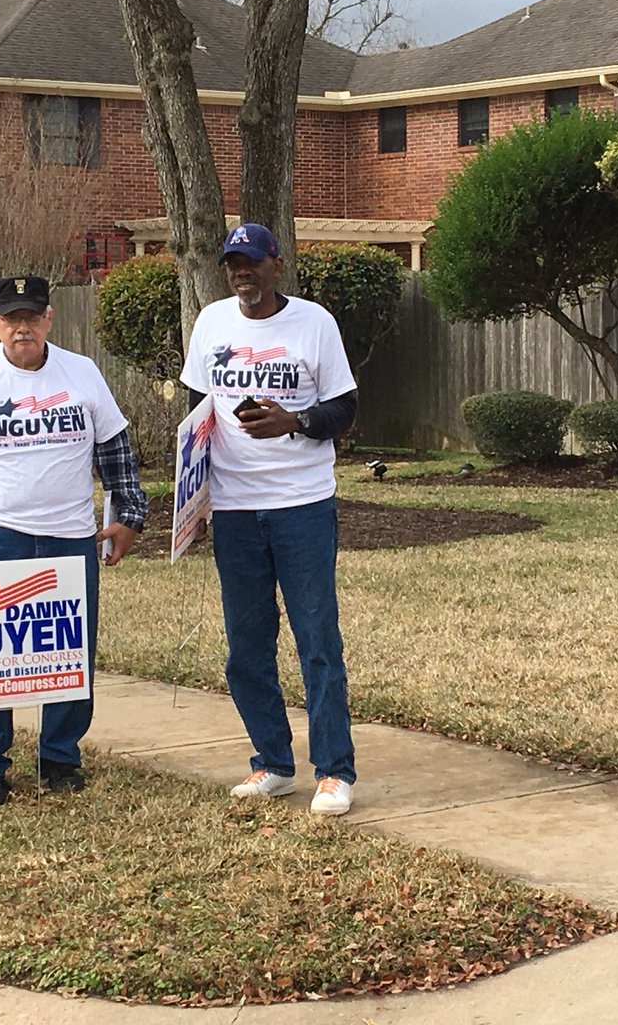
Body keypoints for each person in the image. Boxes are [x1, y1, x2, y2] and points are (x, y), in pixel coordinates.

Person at [0, 275, 147, 805]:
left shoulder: (82, 373)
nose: (22, 326)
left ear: (48, 319)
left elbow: (114, 448)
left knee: (68, 654)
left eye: (32, 316)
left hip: (70, 536)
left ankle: (60, 758)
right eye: (10, 317)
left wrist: (130, 514)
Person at [181, 223, 359, 816]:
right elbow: (196, 414)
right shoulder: (210, 323)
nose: (242, 274)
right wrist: (194, 501)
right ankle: (273, 765)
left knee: (317, 639)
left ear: (276, 265)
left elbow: (345, 407)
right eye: (233, 265)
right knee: (246, 646)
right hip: (233, 508)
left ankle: (333, 771)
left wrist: (296, 422)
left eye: (252, 263)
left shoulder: (314, 323)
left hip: (301, 504)